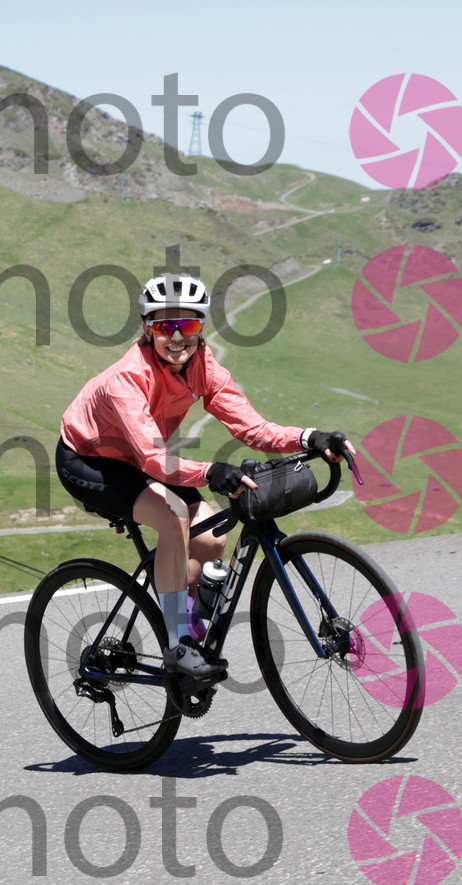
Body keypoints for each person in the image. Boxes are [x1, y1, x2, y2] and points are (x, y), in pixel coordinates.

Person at [55, 272, 353, 684]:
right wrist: (211, 471)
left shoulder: (202, 365)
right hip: (89, 461)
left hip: (141, 459)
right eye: (165, 326)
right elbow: (153, 459)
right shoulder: (128, 377)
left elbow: (252, 427)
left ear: (201, 328)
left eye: (188, 324)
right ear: (147, 328)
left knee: (212, 538)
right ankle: (177, 644)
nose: (177, 337)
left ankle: (187, 620)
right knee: (173, 516)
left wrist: (309, 437)